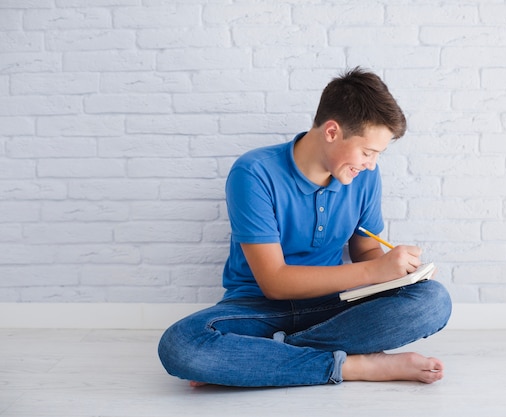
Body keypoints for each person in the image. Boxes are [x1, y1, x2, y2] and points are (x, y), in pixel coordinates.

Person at [158, 67, 452, 388]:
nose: (371, 164)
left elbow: (366, 248)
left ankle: (252, 360)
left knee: (434, 299)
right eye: (367, 152)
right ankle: (354, 366)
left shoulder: (364, 177)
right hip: (257, 310)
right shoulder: (254, 172)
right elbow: (275, 283)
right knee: (181, 344)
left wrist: (397, 274)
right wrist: (376, 271)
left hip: (334, 306)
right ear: (331, 132)